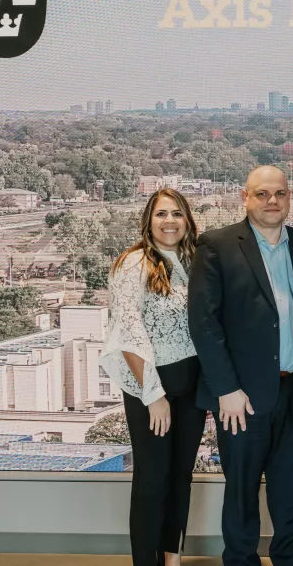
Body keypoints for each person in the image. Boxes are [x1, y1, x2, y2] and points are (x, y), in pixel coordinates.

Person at [189, 166, 293, 565]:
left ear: (289, 198)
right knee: (241, 491)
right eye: (262, 194)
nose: (271, 201)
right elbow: (204, 323)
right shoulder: (217, 245)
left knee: (290, 491)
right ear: (245, 197)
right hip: (241, 396)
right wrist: (226, 390)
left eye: (279, 193)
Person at [101, 188, 207, 566]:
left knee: (181, 476)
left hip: (192, 385)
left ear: (187, 220)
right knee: (153, 480)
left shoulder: (191, 260)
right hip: (152, 386)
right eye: (162, 214)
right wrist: (153, 395)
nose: (170, 221)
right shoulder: (133, 264)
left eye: (177, 214)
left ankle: (171, 556)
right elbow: (129, 332)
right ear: (149, 220)